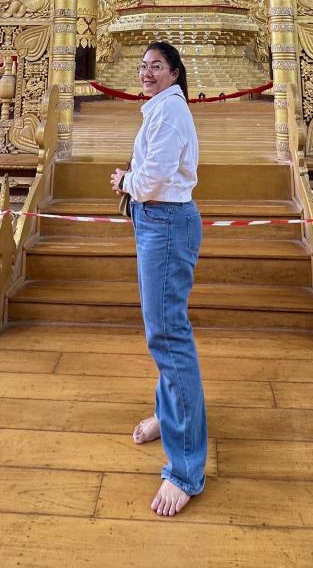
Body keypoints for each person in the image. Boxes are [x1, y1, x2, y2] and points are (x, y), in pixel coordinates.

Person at [110, 41, 207, 517]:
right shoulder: (162, 109)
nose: (147, 73)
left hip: (165, 223)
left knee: (168, 335)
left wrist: (124, 182)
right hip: (157, 221)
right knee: (163, 331)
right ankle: (170, 417)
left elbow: (150, 181)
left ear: (174, 73)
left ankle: (186, 469)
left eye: (157, 66)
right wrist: (135, 182)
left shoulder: (168, 113)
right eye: (143, 66)